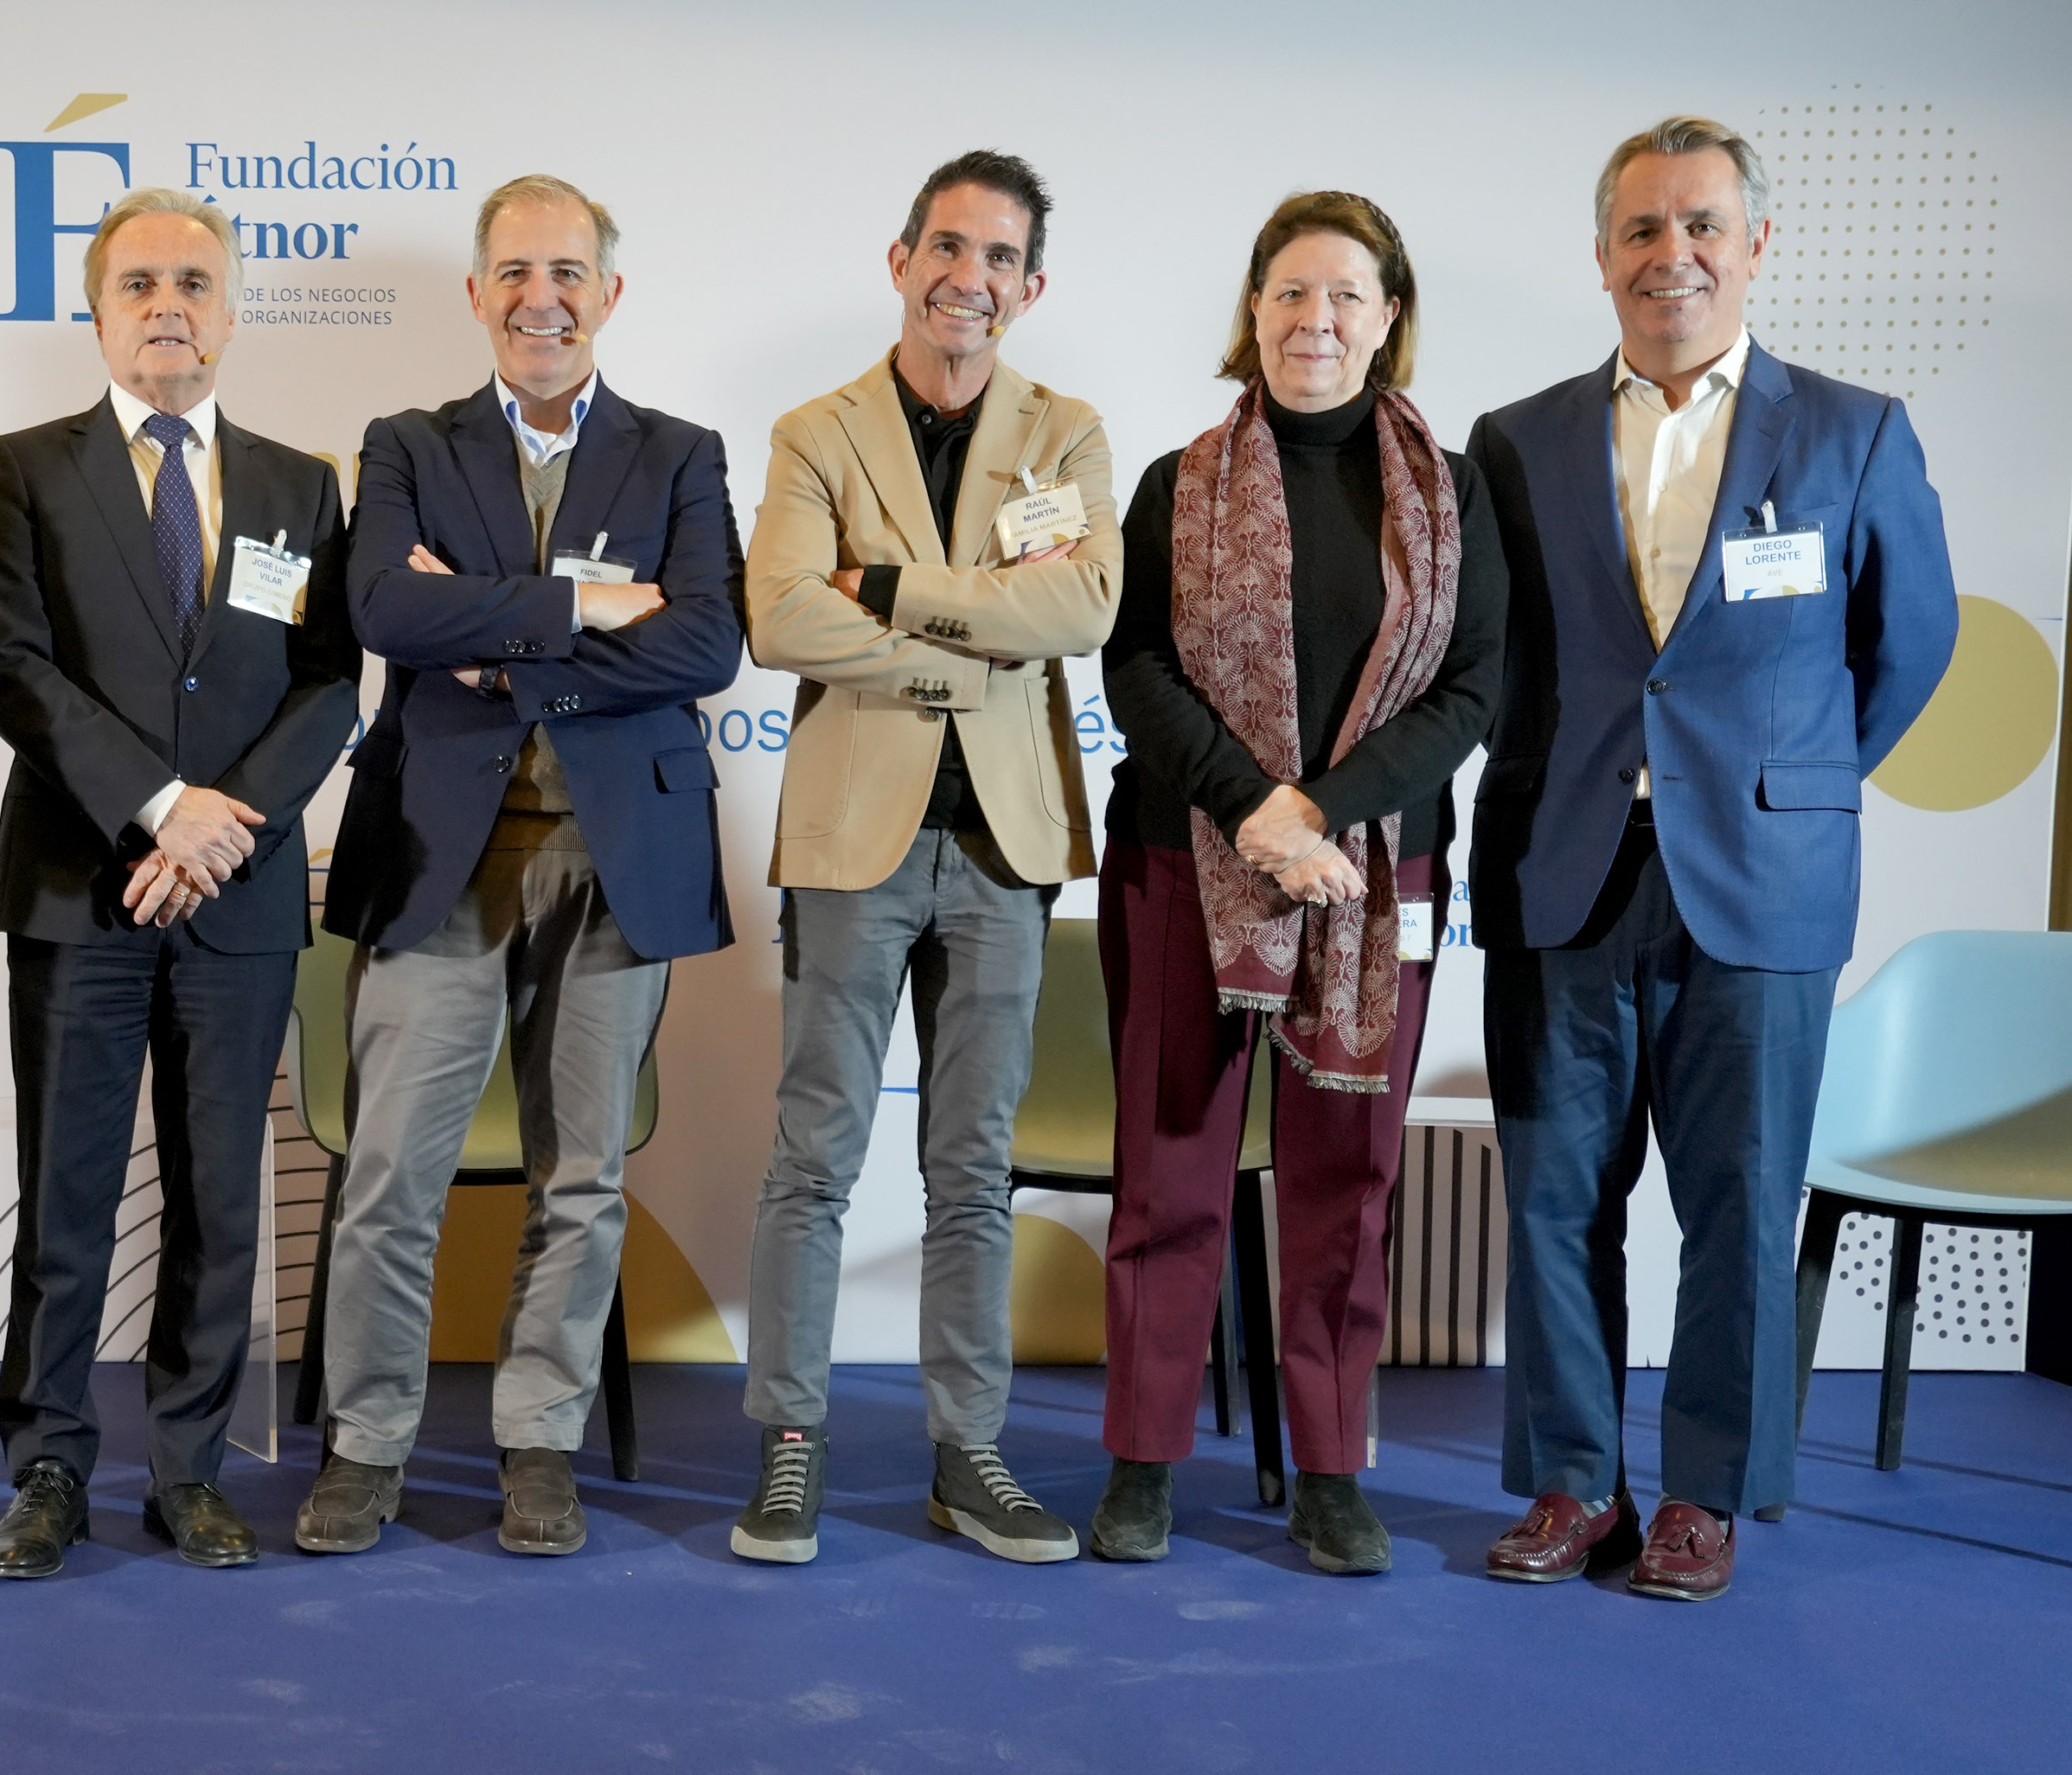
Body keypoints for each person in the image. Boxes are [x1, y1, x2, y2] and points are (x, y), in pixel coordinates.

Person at [1470, 117, 1956, 1600]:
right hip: (1563, 867)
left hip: (1761, 880)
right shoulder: (1517, 440)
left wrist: (1787, 783)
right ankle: (1574, 1480)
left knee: (1741, 1203)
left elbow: (1909, 641)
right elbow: (1494, 657)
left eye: (1700, 226)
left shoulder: (1854, 431)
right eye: (1641, 229)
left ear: (1755, 247)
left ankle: (1705, 1495)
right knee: (1555, 1196)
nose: (1669, 254)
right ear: (1601, 255)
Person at [302, 175, 741, 1557]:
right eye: (513, 272)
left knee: (581, 1176)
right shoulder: (406, 445)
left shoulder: (680, 453)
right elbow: (385, 606)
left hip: (617, 860)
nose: (540, 299)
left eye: (566, 273)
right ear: (477, 291)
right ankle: (367, 1442)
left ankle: (539, 1439)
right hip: (440, 853)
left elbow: (705, 644)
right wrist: (590, 606)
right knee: (390, 1175)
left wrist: (494, 648)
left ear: (609, 293)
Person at [1089, 193, 1505, 1574]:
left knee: (1349, 1177)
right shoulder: (1179, 482)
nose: (1313, 319)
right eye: (1288, 292)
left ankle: (1330, 1470)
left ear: (1389, 320)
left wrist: (1320, 811)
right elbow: (1135, 665)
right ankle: (1143, 1460)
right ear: (1254, 311)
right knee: (1169, 1172)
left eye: (1344, 295)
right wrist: (1256, 808)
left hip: (1376, 875)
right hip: (1183, 857)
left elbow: (1471, 689)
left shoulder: (1452, 495)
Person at [0, 188, 359, 1575]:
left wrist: (222, 828)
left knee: (220, 1200)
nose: (167, 307)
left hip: (238, 894)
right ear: (95, 312)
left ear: (234, 311)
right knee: (66, 1194)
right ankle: (49, 1465)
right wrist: (159, 808)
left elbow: (330, 683)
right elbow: (14, 667)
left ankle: (189, 1467)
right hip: (82, 884)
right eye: (138, 284)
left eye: (194, 283)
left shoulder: (302, 485)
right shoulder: (22, 467)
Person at [733, 150, 1121, 1566]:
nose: (971, 278)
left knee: (974, 1165)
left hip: (1006, 845)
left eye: (1000, 257)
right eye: (948, 248)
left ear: (1032, 286)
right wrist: (976, 636)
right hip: (855, 842)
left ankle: (971, 1454)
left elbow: (1081, 606)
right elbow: (780, 615)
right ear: (901, 262)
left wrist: (889, 591)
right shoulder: (817, 430)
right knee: (815, 1157)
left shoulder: (1066, 431)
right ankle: (789, 1444)